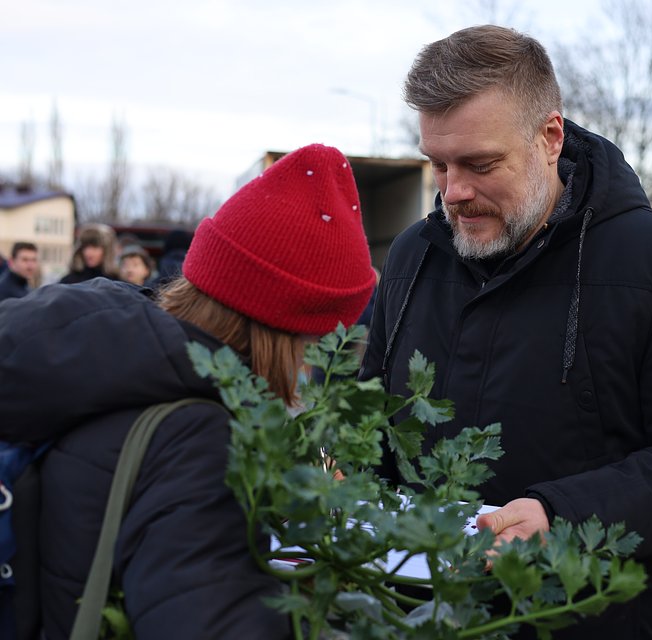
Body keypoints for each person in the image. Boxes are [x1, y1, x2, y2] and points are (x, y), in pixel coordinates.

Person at [359, 25, 652, 639]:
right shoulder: (415, 255)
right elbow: (370, 418)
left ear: (550, 137)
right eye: (438, 164)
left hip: (589, 618)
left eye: (480, 163)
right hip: (419, 615)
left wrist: (562, 515)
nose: (454, 191)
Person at [0, 144, 376, 639]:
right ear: (286, 332)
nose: (314, 364)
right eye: (322, 342)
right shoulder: (201, 435)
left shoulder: (106, 354)